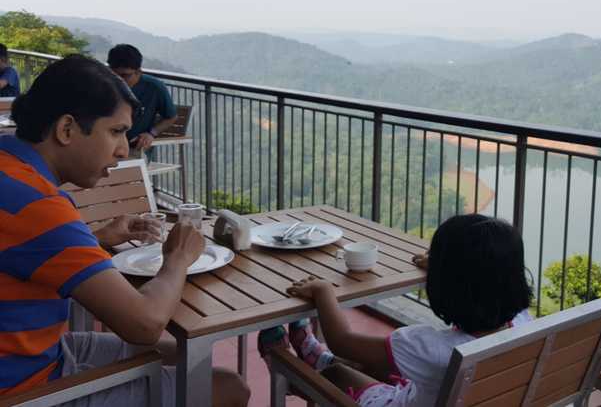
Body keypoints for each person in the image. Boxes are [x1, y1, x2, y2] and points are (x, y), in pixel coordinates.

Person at [0, 55, 249, 407]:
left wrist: (97, 238)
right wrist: (177, 259)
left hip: (34, 352)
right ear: (66, 129)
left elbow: (22, 251)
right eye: (115, 131)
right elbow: (144, 323)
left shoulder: (9, 166)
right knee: (227, 388)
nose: (123, 148)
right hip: (24, 388)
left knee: (186, 351)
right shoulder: (38, 205)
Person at [260, 214, 534, 407]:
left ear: (448, 286)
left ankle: (290, 369)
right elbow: (484, 278)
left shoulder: (429, 348)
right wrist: (444, 269)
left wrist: (323, 291)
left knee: (337, 375)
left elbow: (343, 341)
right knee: (376, 361)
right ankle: (316, 357)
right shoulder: (524, 325)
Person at [107, 43, 176, 157]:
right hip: (107, 146)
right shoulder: (103, 85)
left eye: (125, 75)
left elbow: (171, 117)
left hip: (135, 148)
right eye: (115, 75)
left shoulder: (154, 87)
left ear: (138, 72)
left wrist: (151, 134)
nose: (119, 80)